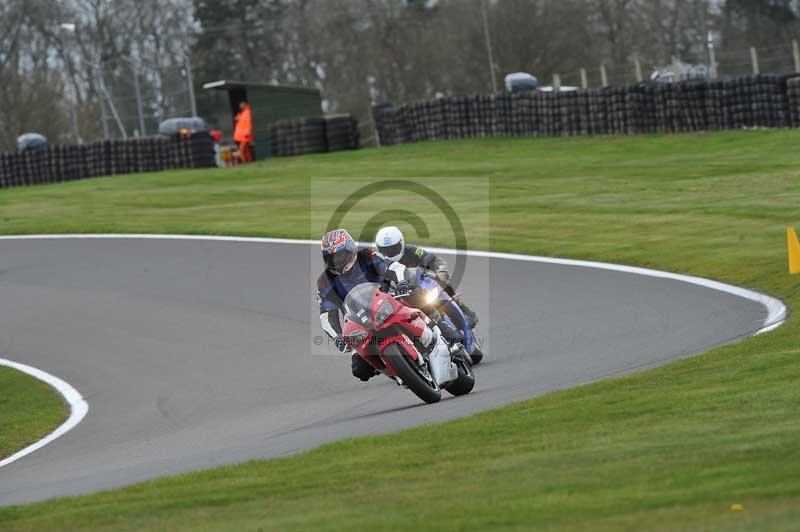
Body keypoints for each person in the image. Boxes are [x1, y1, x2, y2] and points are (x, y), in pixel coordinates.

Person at [317, 229, 409, 382]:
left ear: (351, 249)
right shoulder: (324, 282)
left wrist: (402, 282)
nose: (336, 261)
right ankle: (397, 373)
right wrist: (337, 337)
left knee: (420, 297)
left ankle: (444, 330)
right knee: (360, 369)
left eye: (340, 255)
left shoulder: (366, 256)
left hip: (389, 301)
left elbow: (394, 267)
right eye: (330, 258)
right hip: (360, 322)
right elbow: (326, 315)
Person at [374, 226, 479, 328]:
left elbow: (433, 260)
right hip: (401, 297)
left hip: (422, 286)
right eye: (385, 251)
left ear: (401, 243)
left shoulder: (412, 251)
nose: (390, 253)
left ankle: (463, 308)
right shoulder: (377, 263)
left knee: (442, 279)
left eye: (393, 249)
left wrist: (440, 271)